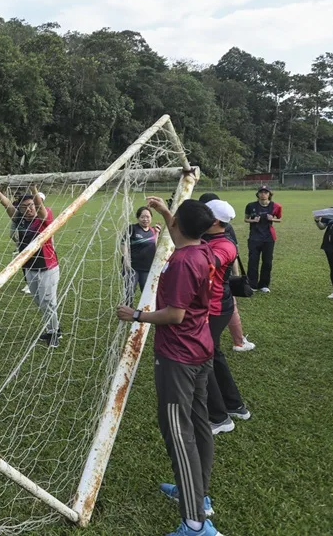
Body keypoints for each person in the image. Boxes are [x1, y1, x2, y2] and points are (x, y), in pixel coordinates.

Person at [116, 197, 224, 536]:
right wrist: (166, 213)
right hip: (200, 349)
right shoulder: (203, 250)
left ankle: (195, 523)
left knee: (179, 434)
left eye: (173, 216)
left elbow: (175, 315)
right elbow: (182, 234)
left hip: (179, 357)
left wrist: (136, 314)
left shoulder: (182, 263)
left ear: (178, 224)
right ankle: (197, 494)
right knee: (199, 423)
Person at [201, 200, 251, 436]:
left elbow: (206, 264)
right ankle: (234, 405)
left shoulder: (225, 244)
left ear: (214, 221)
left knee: (202, 358)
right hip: (211, 307)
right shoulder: (207, 237)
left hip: (216, 309)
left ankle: (219, 418)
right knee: (214, 354)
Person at [0, 187, 62, 348]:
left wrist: (33, 188)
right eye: (25, 206)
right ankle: (54, 328)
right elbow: (7, 205)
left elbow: (40, 208)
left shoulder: (44, 216)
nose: (29, 209)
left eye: (31, 205)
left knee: (48, 302)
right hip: (28, 267)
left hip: (47, 267)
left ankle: (54, 333)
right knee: (40, 302)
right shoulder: (20, 219)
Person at [199, 193, 254, 353]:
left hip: (217, 288)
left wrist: (234, 277)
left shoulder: (223, 238)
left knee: (210, 345)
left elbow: (220, 258)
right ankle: (239, 341)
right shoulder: (205, 229)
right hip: (205, 290)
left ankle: (239, 341)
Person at [244, 186, 282, 293]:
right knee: (253, 261)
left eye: (266, 192)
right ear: (258, 194)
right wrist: (253, 221)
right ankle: (252, 284)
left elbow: (280, 219)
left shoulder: (276, 206)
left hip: (269, 238)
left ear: (269, 194)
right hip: (254, 237)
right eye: (261, 192)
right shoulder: (251, 206)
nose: (263, 194)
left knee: (267, 262)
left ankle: (264, 285)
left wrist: (272, 219)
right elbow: (246, 219)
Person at [123, 206, 160, 303]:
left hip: (147, 268)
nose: (145, 219)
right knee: (129, 291)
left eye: (147, 217)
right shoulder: (132, 228)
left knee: (146, 293)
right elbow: (123, 243)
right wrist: (126, 259)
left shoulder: (152, 230)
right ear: (138, 218)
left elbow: (153, 245)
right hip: (133, 267)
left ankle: (144, 311)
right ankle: (127, 310)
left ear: (151, 217)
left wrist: (157, 234)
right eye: (142, 217)